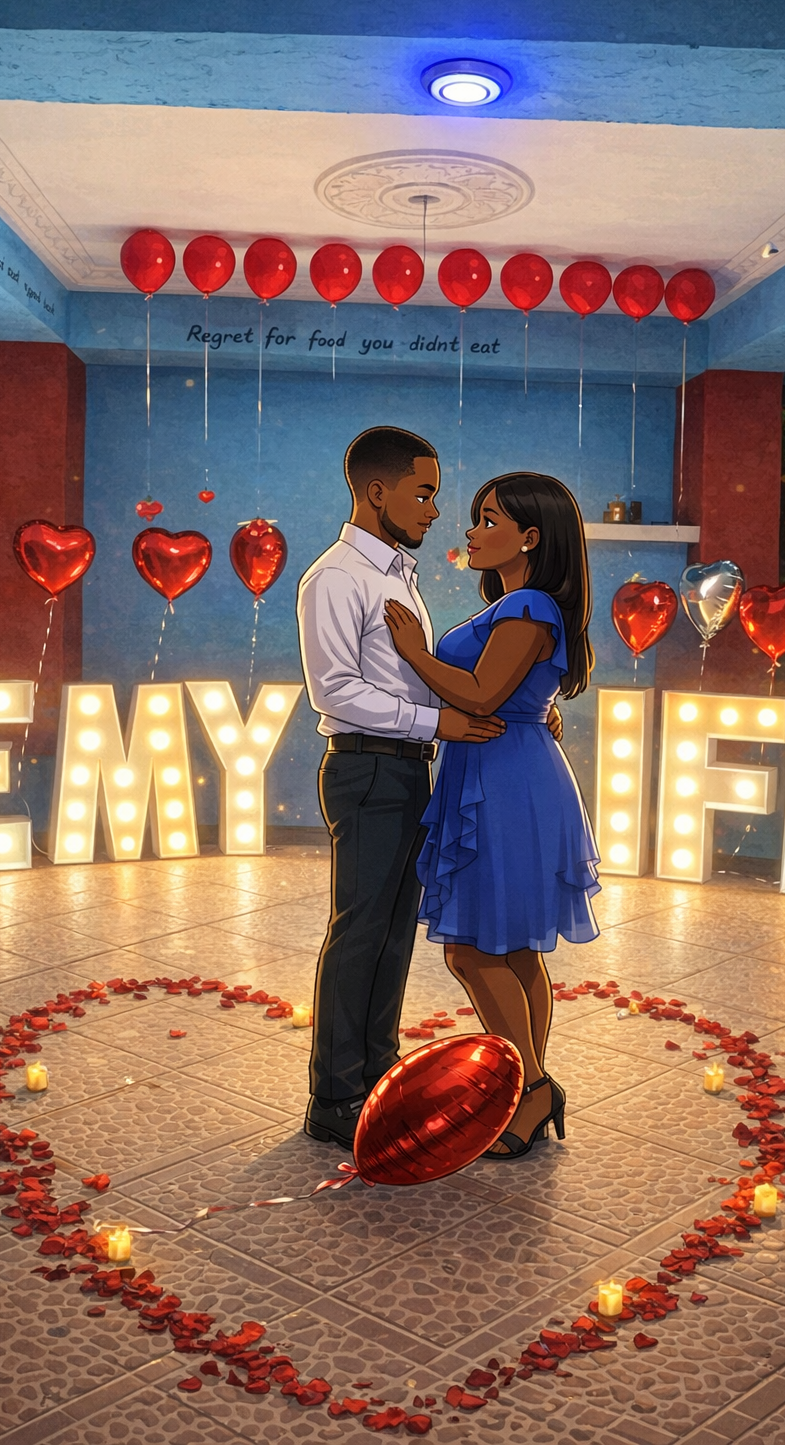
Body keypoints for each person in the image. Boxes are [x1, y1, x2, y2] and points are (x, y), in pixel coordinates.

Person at [296, 429, 563, 1150]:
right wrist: (440, 721)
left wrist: (525, 705)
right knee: (360, 932)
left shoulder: (398, 574)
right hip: (368, 767)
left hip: (411, 768)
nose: (436, 511)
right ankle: (335, 1097)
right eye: (423, 494)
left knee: (391, 936)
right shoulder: (336, 577)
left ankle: (375, 1076)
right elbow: (335, 691)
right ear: (375, 492)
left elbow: (435, 676)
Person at [384, 470, 600, 1159]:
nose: (471, 531)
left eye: (488, 519)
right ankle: (532, 1087)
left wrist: (414, 653)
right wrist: (537, 710)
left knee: (473, 951)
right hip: (509, 772)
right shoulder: (525, 606)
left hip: (505, 784)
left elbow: (480, 694)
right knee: (513, 949)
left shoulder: (529, 605)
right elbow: (514, 691)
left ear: (530, 537)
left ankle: (529, 1088)